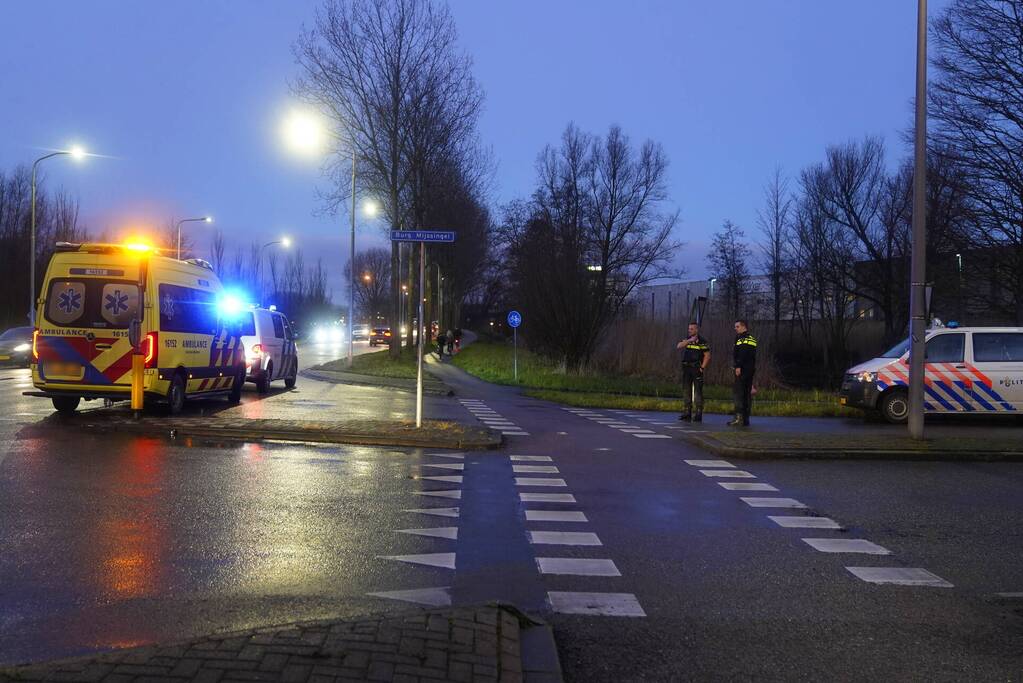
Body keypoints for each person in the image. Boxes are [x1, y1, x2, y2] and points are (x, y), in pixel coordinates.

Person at [676, 322, 710, 422]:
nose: (689, 330)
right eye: (689, 329)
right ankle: (687, 412)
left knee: (698, 391)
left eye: (691, 329)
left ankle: (698, 413)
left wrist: (702, 367)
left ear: (696, 330)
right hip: (686, 368)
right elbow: (679, 346)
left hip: (696, 368)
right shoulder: (687, 339)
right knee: (686, 389)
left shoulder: (702, 341)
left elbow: (707, 356)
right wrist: (689, 340)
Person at [729, 319, 757, 426]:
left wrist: (738, 366)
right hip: (750, 369)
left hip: (743, 369)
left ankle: (738, 418)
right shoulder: (751, 338)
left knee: (739, 393)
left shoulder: (743, 339)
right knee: (746, 394)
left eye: (737, 327)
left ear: (744, 326)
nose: (735, 329)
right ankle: (745, 419)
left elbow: (742, 353)